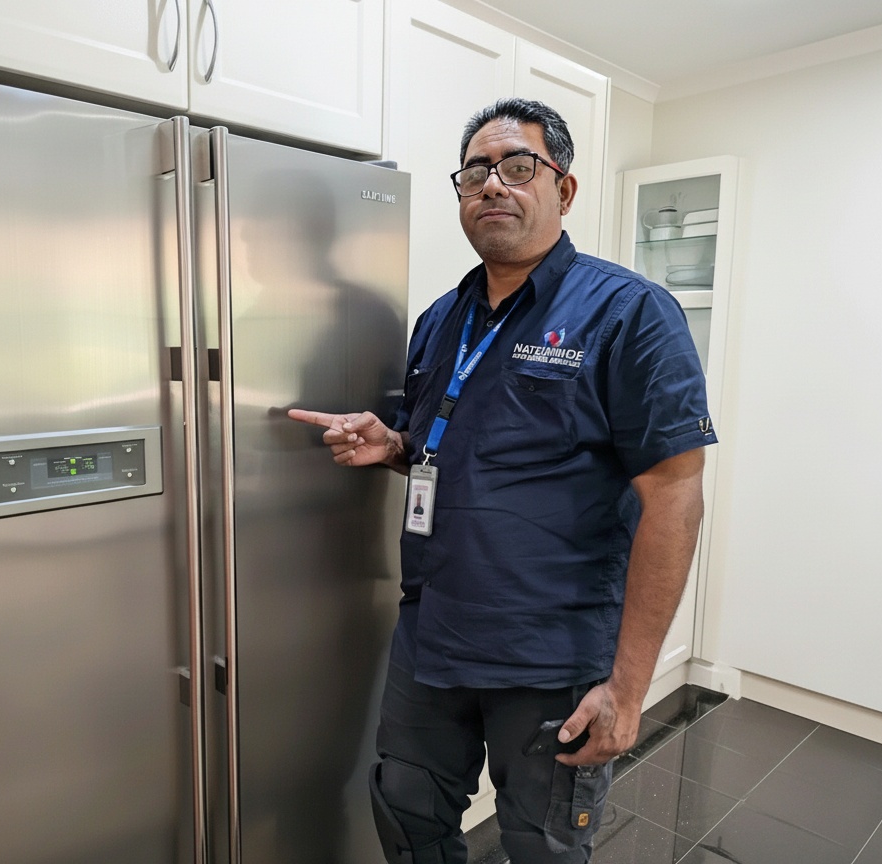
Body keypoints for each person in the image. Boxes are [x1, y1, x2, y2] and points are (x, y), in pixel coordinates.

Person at [288, 98, 717, 863]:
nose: (493, 185)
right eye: (475, 172)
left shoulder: (629, 314)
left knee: (542, 845)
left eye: (519, 167)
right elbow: (448, 447)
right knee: (408, 820)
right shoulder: (440, 320)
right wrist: (392, 446)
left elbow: (675, 496)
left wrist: (627, 688)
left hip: (550, 655)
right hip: (433, 635)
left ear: (564, 189)